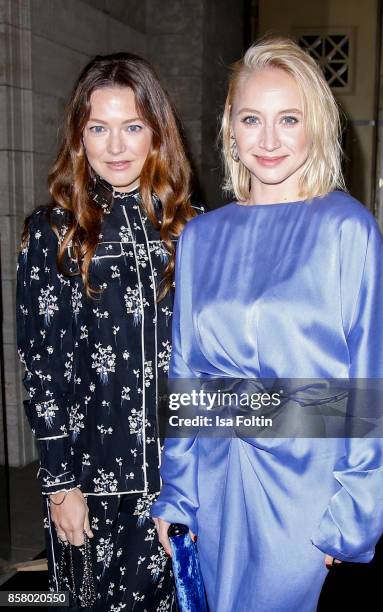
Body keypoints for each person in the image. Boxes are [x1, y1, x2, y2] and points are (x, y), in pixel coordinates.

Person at [151, 37, 383, 612]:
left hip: (307, 490)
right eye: (252, 119)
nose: (268, 139)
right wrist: (177, 493)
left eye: (288, 119)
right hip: (215, 483)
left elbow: (374, 385)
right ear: (230, 129)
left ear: (314, 125)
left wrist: (355, 512)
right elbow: (185, 371)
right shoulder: (201, 237)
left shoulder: (348, 230)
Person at [16, 52, 202, 611]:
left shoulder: (189, 228)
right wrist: (59, 485)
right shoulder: (52, 233)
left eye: (132, 127)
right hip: (89, 488)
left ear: (156, 134)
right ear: (79, 135)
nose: (116, 146)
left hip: (176, 484)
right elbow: (40, 366)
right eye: (99, 128)